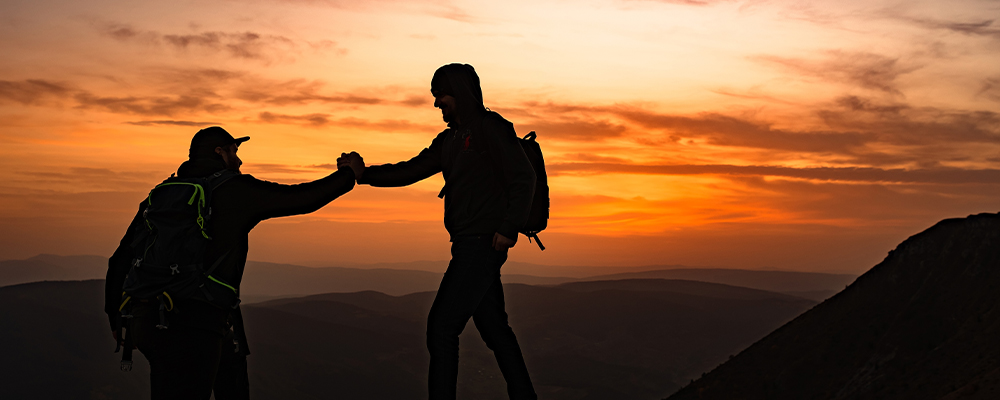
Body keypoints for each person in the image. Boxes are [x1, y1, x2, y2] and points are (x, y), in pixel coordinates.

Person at [105, 126, 361, 400]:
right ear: (220, 152)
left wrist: (116, 315)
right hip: (195, 323)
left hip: (148, 319)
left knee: (220, 374)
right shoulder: (233, 188)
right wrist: (348, 174)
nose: (239, 161)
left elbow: (121, 257)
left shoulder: (160, 194)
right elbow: (301, 198)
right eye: (234, 152)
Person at [338, 63, 538, 400]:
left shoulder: (492, 128)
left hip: (483, 243)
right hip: (466, 243)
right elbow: (412, 170)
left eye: (440, 95)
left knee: (442, 328)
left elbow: (525, 177)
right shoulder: (449, 140)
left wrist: (508, 228)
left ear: (459, 93)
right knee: (494, 330)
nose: (436, 104)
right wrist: (364, 173)